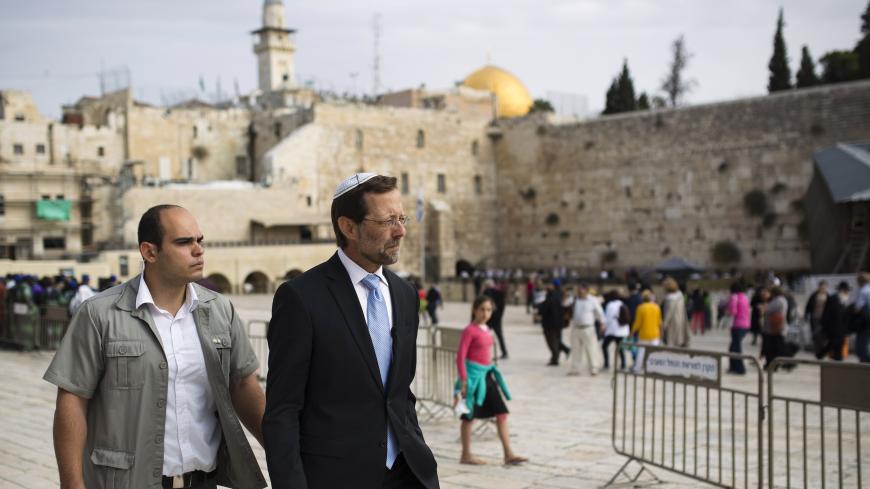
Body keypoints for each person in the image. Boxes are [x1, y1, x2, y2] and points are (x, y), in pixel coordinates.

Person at [43, 205, 266, 489]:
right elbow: (72, 401)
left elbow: (244, 386)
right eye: (184, 242)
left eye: (200, 240)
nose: (198, 250)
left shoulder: (220, 310)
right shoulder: (99, 314)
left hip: (201, 481)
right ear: (149, 252)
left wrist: (284, 453)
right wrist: (72, 484)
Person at [263, 174, 439, 489]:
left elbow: (399, 393)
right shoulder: (302, 298)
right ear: (349, 227)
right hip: (336, 476)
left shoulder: (404, 294)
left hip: (407, 474)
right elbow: (283, 411)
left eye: (401, 218)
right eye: (387, 221)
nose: (401, 231)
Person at [455, 296, 527, 466]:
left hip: (488, 377)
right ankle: (465, 454)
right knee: (468, 417)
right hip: (472, 380)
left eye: (489, 310)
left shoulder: (487, 329)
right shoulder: (469, 330)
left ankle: (508, 454)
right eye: (482, 309)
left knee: (502, 413)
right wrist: (464, 382)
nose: (486, 313)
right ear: (474, 309)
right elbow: (460, 357)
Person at [567, 283, 604, 376]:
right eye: (579, 290)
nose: (580, 292)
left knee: (591, 348)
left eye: (581, 290)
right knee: (575, 349)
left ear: (586, 290)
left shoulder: (593, 300)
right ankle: (575, 368)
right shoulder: (575, 299)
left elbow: (600, 312)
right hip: (576, 328)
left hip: (588, 328)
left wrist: (603, 323)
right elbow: (565, 304)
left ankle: (594, 367)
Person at [538, 279, 570, 365]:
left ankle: (556, 358)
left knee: (553, 342)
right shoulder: (561, 295)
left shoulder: (550, 298)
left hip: (550, 324)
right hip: (559, 323)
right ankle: (558, 355)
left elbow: (542, 310)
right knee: (557, 340)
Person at [817, 281, 850, 361]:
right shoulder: (833, 298)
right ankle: (836, 358)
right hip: (833, 327)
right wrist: (826, 327)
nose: (847, 293)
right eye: (846, 291)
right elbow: (827, 314)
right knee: (835, 343)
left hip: (840, 328)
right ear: (842, 290)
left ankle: (821, 355)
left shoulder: (841, 300)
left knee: (835, 343)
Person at [631, 290, 662, 372]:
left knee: (641, 352)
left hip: (644, 334)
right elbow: (659, 322)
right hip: (655, 334)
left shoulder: (640, 308)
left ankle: (637, 368)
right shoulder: (656, 307)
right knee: (654, 353)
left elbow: (637, 323)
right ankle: (654, 369)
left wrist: (632, 332)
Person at [761, 286, 789, 370]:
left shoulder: (778, 300)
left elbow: (768, 310)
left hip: (774, 327)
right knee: (775, 347)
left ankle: (772, 365)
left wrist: (764, 307)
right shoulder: (782, 300)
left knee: (772, 348)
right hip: (776, 327)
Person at [601, 290, 630, 371]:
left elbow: (608, 318)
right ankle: (623, 364)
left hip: (612, 330)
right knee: (620, 348)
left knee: (604, 346)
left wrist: (604, 327)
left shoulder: (610, 305)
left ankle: (606, 364)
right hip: (621, 330)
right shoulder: (622, 303)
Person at [727, 282, 751, 374]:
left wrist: (728, 308)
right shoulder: (744, 297)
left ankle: (740, 369)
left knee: (736, 348)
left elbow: (733, 311)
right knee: (733, 347)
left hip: (737, 325)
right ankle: (733, 367)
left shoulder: (734, 297)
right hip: (745, 325)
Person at [482, 279, 508, 359]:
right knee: (500, 336)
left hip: (489, 318)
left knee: (483, 336)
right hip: (497, 318)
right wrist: (499, 316)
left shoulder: (486, 293)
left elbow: (482, 305)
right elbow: (502, 306)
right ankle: (504, 352)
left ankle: (484, 353)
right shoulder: (500, 293)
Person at [660, 277, 689, 347]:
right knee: (679, 342)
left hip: (672, 323)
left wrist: (664, 325)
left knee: (671, 343)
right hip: (681, 321)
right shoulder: (680, 296)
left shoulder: (670, 299)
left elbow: (668, 313)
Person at [853, 272, 870, 362]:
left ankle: (865, 361)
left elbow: (857, 308)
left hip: (865, 321)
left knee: (861, 346)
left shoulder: (863, 291)